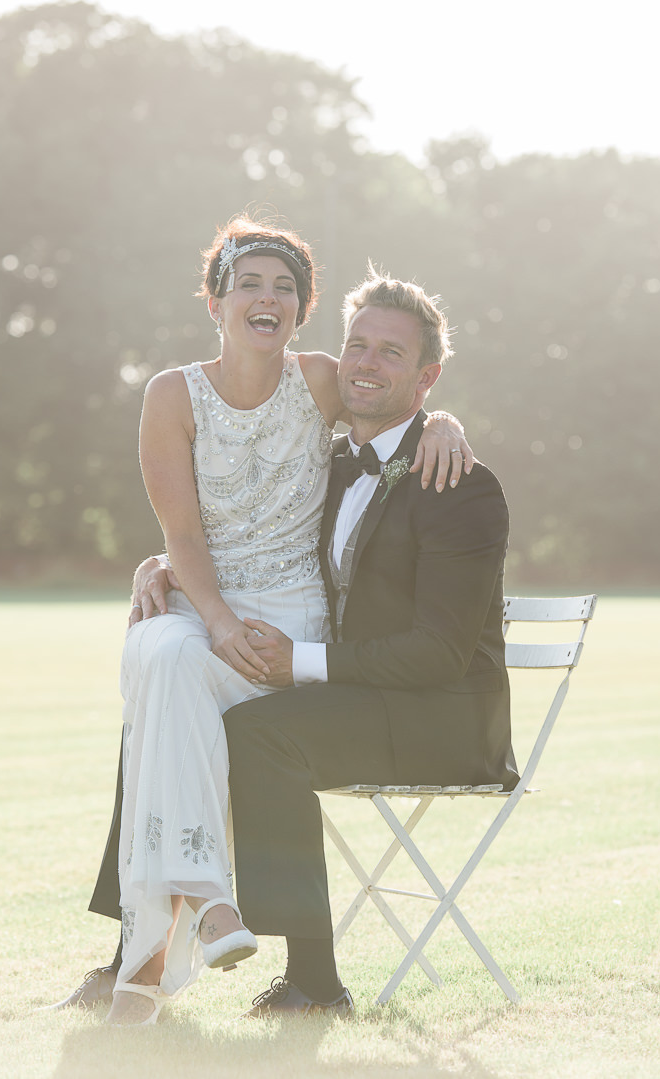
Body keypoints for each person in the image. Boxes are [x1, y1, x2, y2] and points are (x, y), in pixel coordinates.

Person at [50, 217, 473, 1025]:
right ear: (215, 301)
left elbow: (390, 412)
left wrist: (445, 424)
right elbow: (181, 533)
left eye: (284, 287)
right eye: (249, 283)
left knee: (161, 693)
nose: (266, 297)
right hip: (207, 600)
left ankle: (142, 954)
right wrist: (203, 607)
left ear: (303, 310)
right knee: (162, 661)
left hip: (292, 617)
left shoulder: (318, 381)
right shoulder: (171, 393)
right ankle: (207, 901)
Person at [220, 267, 519, 1016]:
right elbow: (246, 529)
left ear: (427, 378)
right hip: (366, 701)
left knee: (259, 735)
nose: (365, 363)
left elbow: (439, 655)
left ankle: (314, 983)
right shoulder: (329, 465)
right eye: (357, 345)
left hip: (444, 717)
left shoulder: (459, 481)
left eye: (391, 352)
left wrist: (302, 665)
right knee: (194, 694)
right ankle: (152, 935)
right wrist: (166, 563)